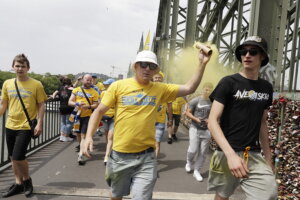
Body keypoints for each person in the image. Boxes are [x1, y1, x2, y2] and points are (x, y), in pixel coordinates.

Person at [83, 49, 211, 200]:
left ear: (156, 70)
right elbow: (98, 111)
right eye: (143, 64)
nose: (147, 69)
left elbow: (189, 88)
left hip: (147, 157)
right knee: (116, 195)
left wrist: (201, 64)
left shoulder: (160, 89)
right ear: (135, 66)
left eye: (152, 66)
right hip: (120, 155)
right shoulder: (118, 86)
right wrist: (88, 137)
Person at [207, 36, 277, 200]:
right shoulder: (228, 82)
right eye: (243, 51)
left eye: (253, 52)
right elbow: (212, 121)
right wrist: (230, 155)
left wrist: (268, 157)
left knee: (268, 193)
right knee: (222, 196)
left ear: (262, 57)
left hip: (252, 154)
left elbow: (262, 123)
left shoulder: (266, 87)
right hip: (226, 153)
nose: (247, 55)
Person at [0, 54, 47, 198]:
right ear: (13, 67)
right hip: (10, 125)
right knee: (13, 157)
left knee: (19, 156)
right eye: (17, 66)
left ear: (28, 68)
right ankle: (18, 183)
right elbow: (3, 105)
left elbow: (41, 105)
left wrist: (39, 123)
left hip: (26, 126)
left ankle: (27, 180)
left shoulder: (36, 84)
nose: (20, 69)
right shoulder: (7, 83)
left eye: (23, 66)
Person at [185, 82, 213, 182]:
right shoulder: (196, 100)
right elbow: (187, 113)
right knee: (193, 150)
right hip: (194, 128)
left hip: (206, 131)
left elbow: (215, 115)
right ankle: (189, 161)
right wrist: (196, 119)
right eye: (206, 89)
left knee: (203, 152)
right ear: (202, 89)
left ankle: (197, 171)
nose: (207, 91)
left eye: (209, 89)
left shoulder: (212, 102)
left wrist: (209, 120)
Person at [68, 74, 99, 165]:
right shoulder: (76, 90)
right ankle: (83, 147)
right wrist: (77, 104)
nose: (88, 81)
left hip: (87, 116)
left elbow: (96, 105)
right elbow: (70, 102)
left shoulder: (94, 92)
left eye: (90, 80)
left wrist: (88, 106)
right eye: (87, 80)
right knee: (78, 134)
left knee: (83, 135)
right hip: (77, 116)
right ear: (82, 80)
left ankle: (80, 155)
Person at [152, 71, 173, 158]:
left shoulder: (166, 91)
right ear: (153, 78)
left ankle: (154, 163)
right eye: (156, 77)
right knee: (147, 142)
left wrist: (170, 119)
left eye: (159, 77)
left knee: (157, 142)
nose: (157, 79)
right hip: (148, 120)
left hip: (160, 121)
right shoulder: (148, 89)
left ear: (162, 79)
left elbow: (169, 107)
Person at [51, 77, 74, 142]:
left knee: (63, 122)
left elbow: (54, 94)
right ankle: (66, 136)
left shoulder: (60, 88)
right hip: (69, 107)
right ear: (70, 82)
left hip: (62, 107)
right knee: (69, 123)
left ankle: (61, 136)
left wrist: (53, 97)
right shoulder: (72, 89)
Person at [101, 78, 116, 165]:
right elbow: (100, 105)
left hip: (114, 117)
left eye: (107, 85)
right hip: (105, 117)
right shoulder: (103, 93)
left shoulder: (118, 94)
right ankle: (109, 150)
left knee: (110, 136)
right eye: (106, 85)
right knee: (107, 136)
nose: (106, 86)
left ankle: (106, 156)